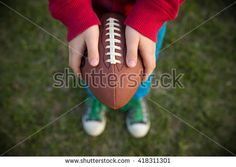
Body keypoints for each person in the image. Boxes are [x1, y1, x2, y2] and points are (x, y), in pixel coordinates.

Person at [48, 0, 183, 138]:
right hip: (91, 11)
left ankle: (137, 96)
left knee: (143, 60)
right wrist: (75, 11)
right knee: (92, 60)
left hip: (146, 11)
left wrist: (153, 11)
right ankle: (96, 97)